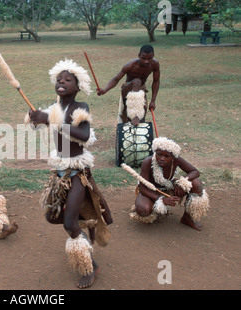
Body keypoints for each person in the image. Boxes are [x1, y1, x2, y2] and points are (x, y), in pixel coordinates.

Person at [27, 58, 113, 289]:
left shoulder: (80, 107)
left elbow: (83, 135)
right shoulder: (54, 109)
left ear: (78, 86)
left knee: (68, 223)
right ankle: (84, 222)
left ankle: (89, 266)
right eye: (58, 79)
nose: (61, 82)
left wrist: (51, 120)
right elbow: (40, 121)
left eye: (67, 79)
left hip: (77, 173)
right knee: (51, 216)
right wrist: (35, 118)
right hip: (60, 173)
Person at [129, 137, 210, 230]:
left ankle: (188, 218)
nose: (162, 158)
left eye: (166, 156)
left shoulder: (176, 160)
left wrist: (183, 182)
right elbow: (142, 189)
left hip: (169, 188)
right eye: (159, 154)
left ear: (172, 157)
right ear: (155, 153)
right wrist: (160, 199)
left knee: (196, 183)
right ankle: (156, 211)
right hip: (150, 191)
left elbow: (195, 171)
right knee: (143, 210)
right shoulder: (148, 162)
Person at [97, 44, 160, 126]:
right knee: (137, 81)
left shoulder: (155, 64)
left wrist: (153, 101)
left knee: (143, 113)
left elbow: (156, 81)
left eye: (149, 58)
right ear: (139, 56)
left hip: (141, 89)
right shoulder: (131, 65)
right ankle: (136, 115)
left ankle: (139, 129)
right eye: (143, 58)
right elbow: (116, 79)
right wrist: (105, 90)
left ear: (153, 56)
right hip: (127, 88)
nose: (146, 61)